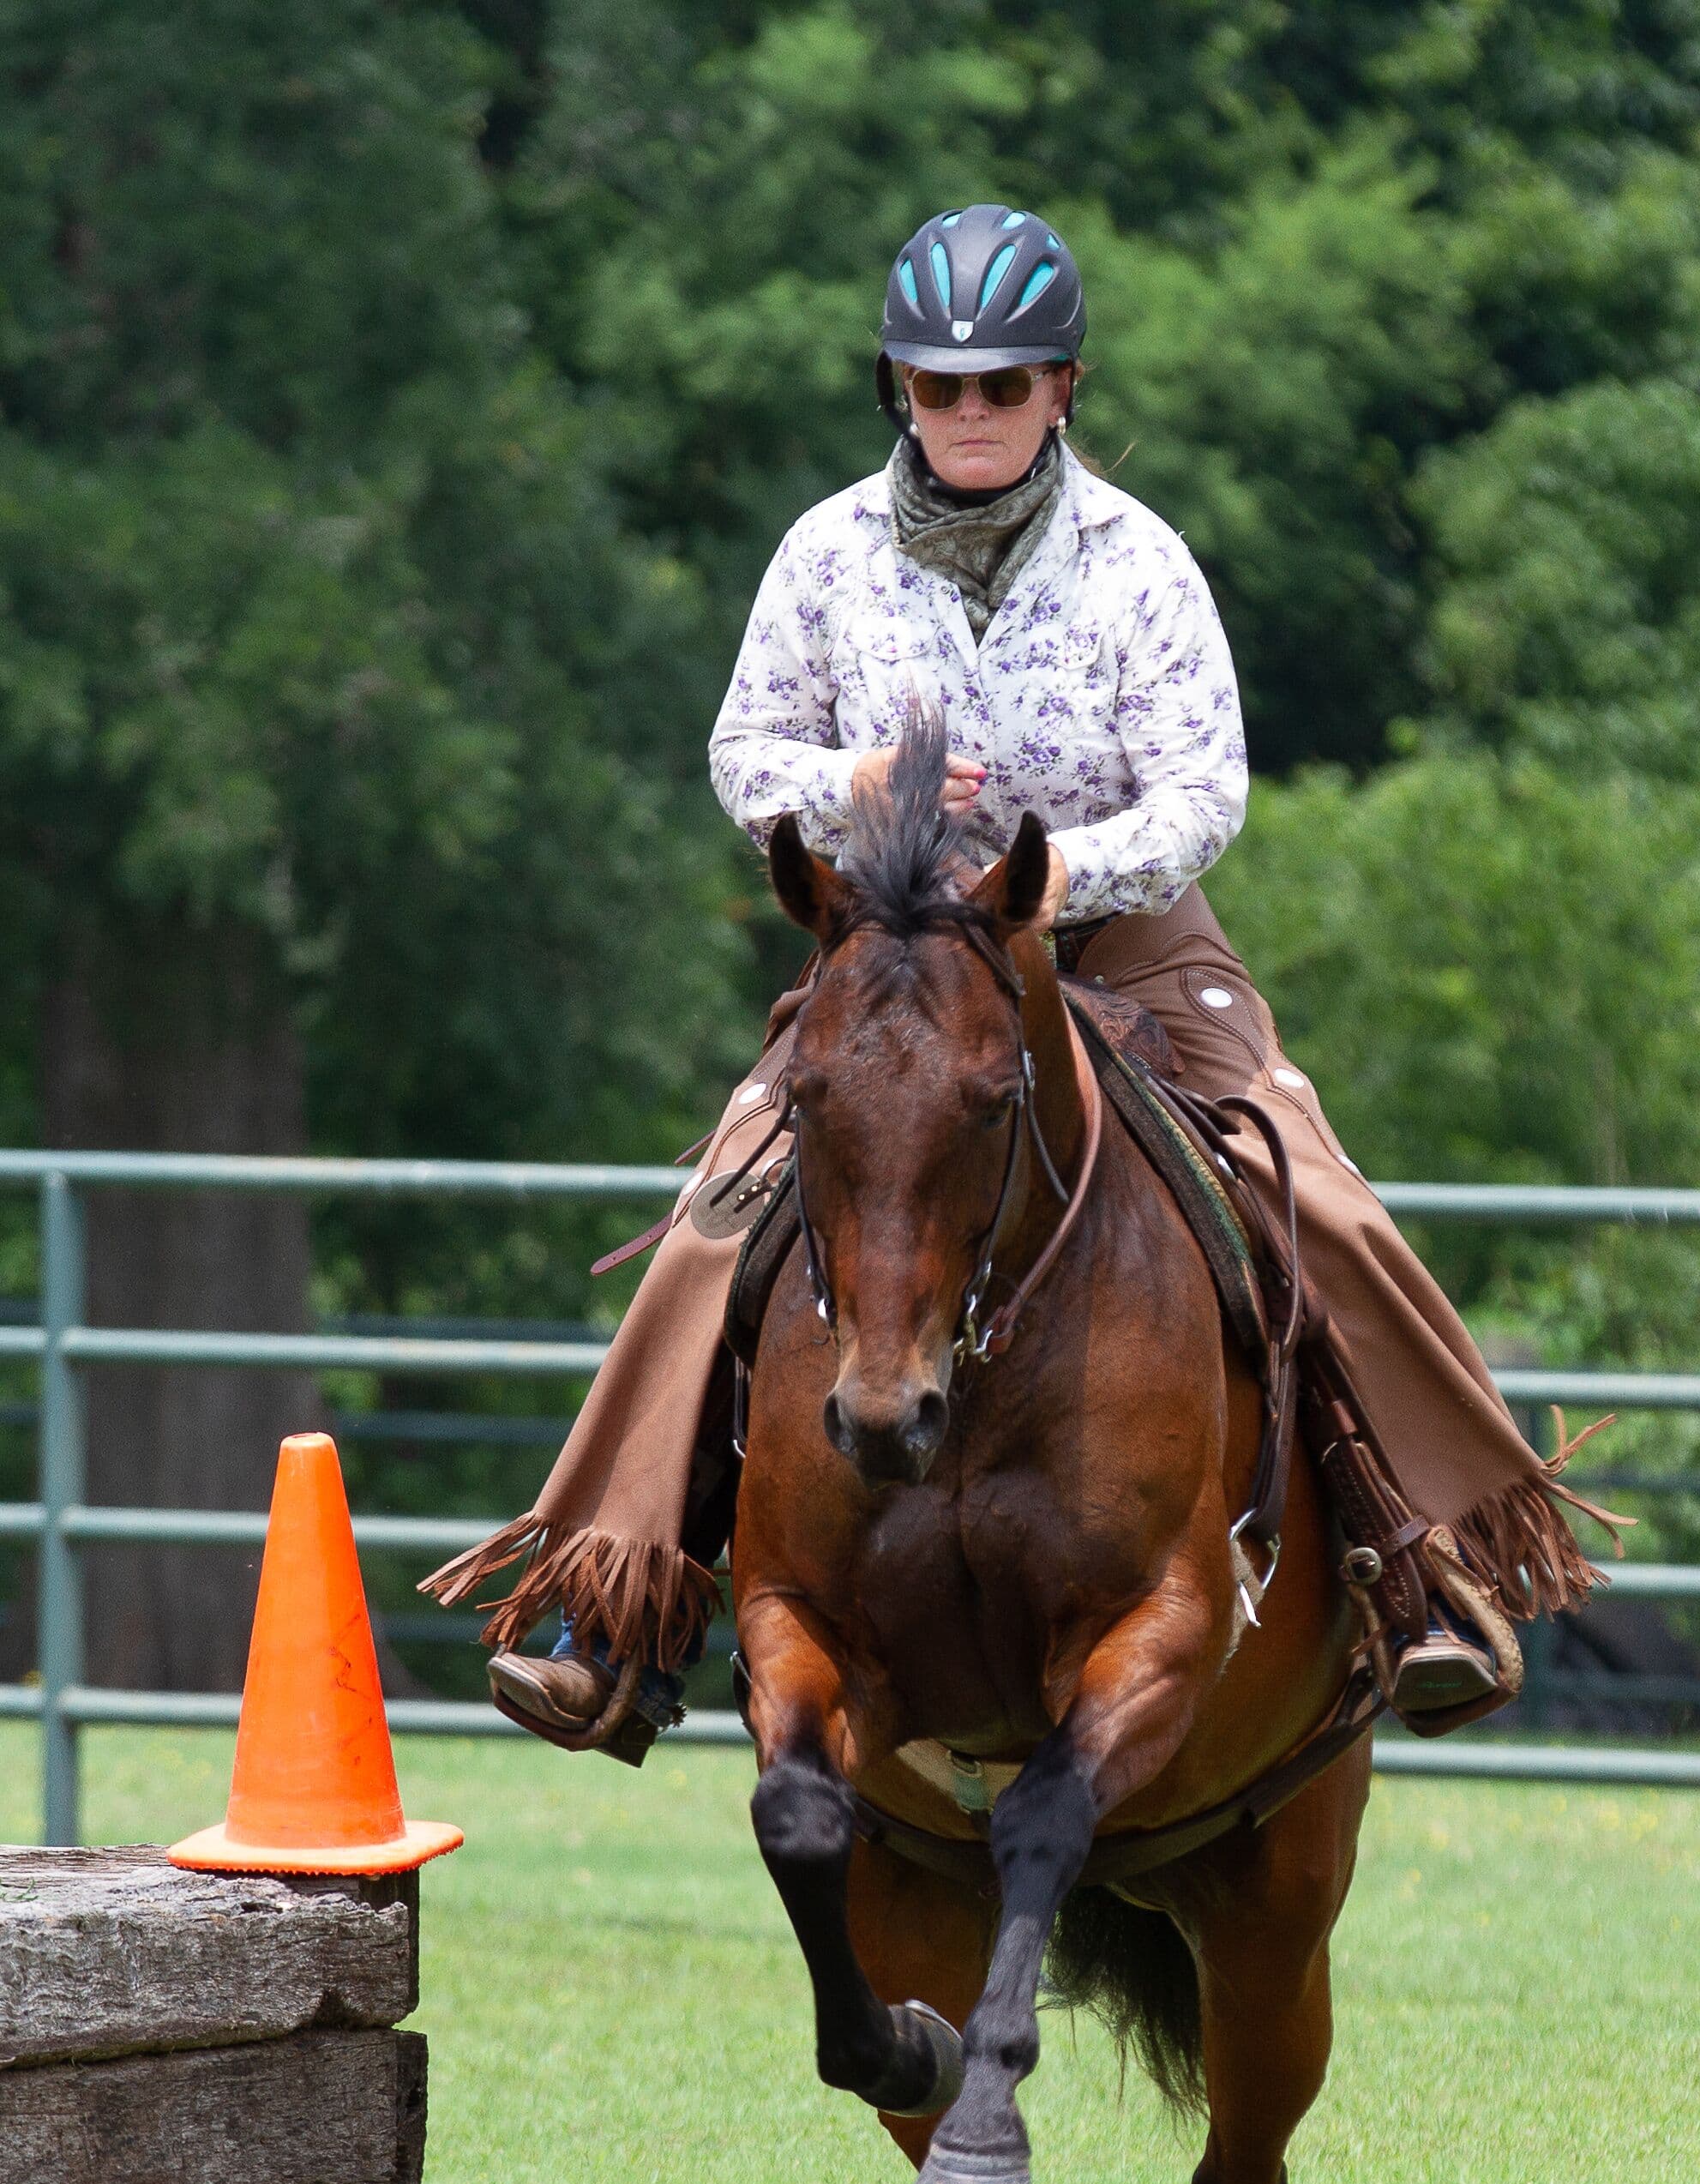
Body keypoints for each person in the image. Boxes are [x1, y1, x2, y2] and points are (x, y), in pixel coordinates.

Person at [427, 203, 1606, 1757]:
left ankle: (1428, 1564)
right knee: (718, 1219)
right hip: (897, 968)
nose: (969, 413)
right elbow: (740, 753)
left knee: (1315, 1191)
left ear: (1064, 390)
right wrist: (853, 778)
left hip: (1122, 946)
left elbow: (1206, 796)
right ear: (896, 392)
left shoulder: (1143, 565)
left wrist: (1050, 881)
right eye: (938, 386)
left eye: (1005, 384)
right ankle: (622, 1609)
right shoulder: (824, 553)